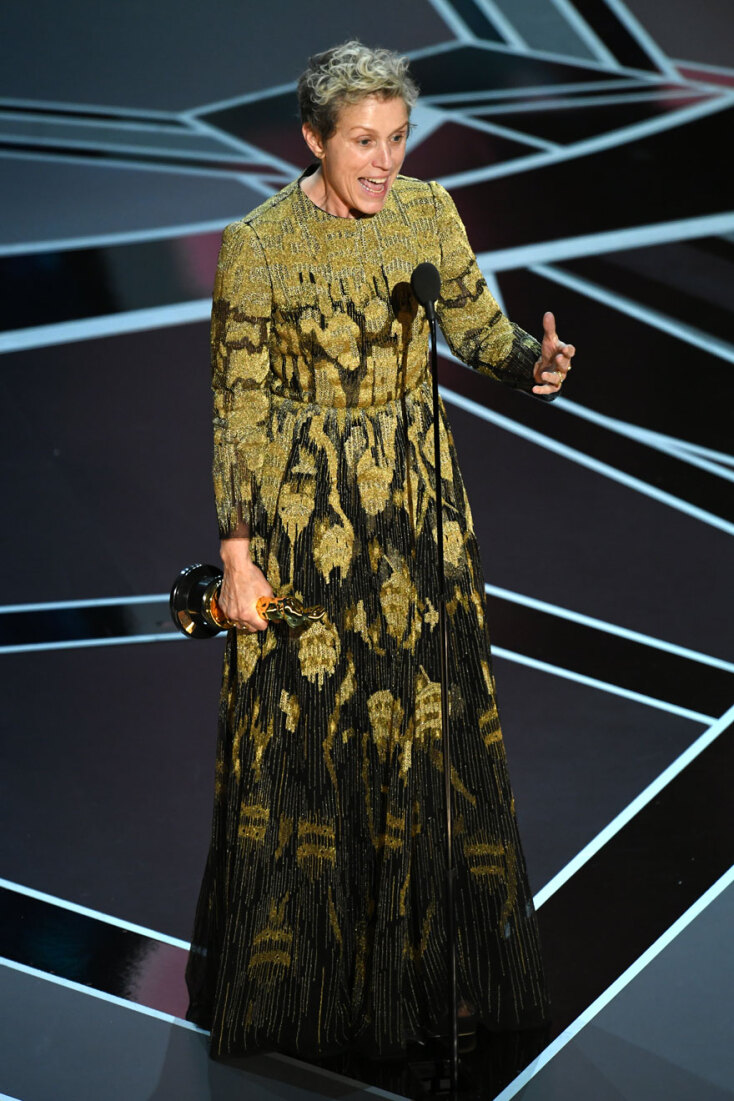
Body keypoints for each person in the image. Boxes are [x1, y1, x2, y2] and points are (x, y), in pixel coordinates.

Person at [186, 40, 575, 1062]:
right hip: (306, 515)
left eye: (396, 139)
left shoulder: (425, 213)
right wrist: (237, 552)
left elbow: (478, 329)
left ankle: (427, 981)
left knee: (426, 738)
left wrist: (529, 366)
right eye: (362, 141)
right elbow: (238, 408)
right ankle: (304, 992)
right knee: (310, 747)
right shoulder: (257, 244)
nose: (384, 161)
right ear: (312, 138)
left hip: (415, 507)